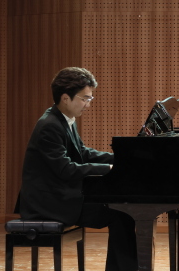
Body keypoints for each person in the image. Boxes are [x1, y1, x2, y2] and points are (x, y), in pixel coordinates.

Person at [18, 67, 138, 270]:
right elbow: (66, 169)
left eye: (89, 99)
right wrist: (109, 168)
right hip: (48, 203)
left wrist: (122, 158)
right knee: (120, 213)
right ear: (66, 98)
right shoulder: (50, 125)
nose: (88, 105)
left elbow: (83, 153)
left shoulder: (63, 119)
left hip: (61, 195)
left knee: (122, 211)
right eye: (85, 99)